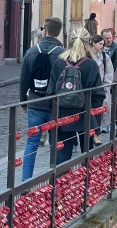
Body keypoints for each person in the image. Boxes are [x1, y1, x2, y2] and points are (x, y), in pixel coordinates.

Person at [47, 28, 105, 163]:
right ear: (88, 43)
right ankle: (84, 182)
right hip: (85, 113)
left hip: (62, 114)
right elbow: (98, 95)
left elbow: (50, 92)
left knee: (63, 154)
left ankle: (60, 182)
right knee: (87, 153)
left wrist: (55, 111)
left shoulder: (59, 62)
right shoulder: (91, 64)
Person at [18, 17, 65, 182]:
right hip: (55, 104)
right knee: (55, 142)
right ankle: (57, 178)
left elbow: (23, 80)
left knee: (32, 142)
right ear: (58, 32)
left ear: (44, 31)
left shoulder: (31, 52)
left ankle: (25, 180)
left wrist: (23, 101)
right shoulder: (62, 53)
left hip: (35, 103)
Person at [89, 34, 114, 138]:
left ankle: (100, 130)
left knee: (103, 109)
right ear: (93, 44)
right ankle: (93, 133)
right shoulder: (87, 56)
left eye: (103, 44)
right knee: (91, 111)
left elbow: (109, 72)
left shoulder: (104, 56)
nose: (102, 46)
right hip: (90, 88)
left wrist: (106, 86)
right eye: (100, 44)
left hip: (102, 88)